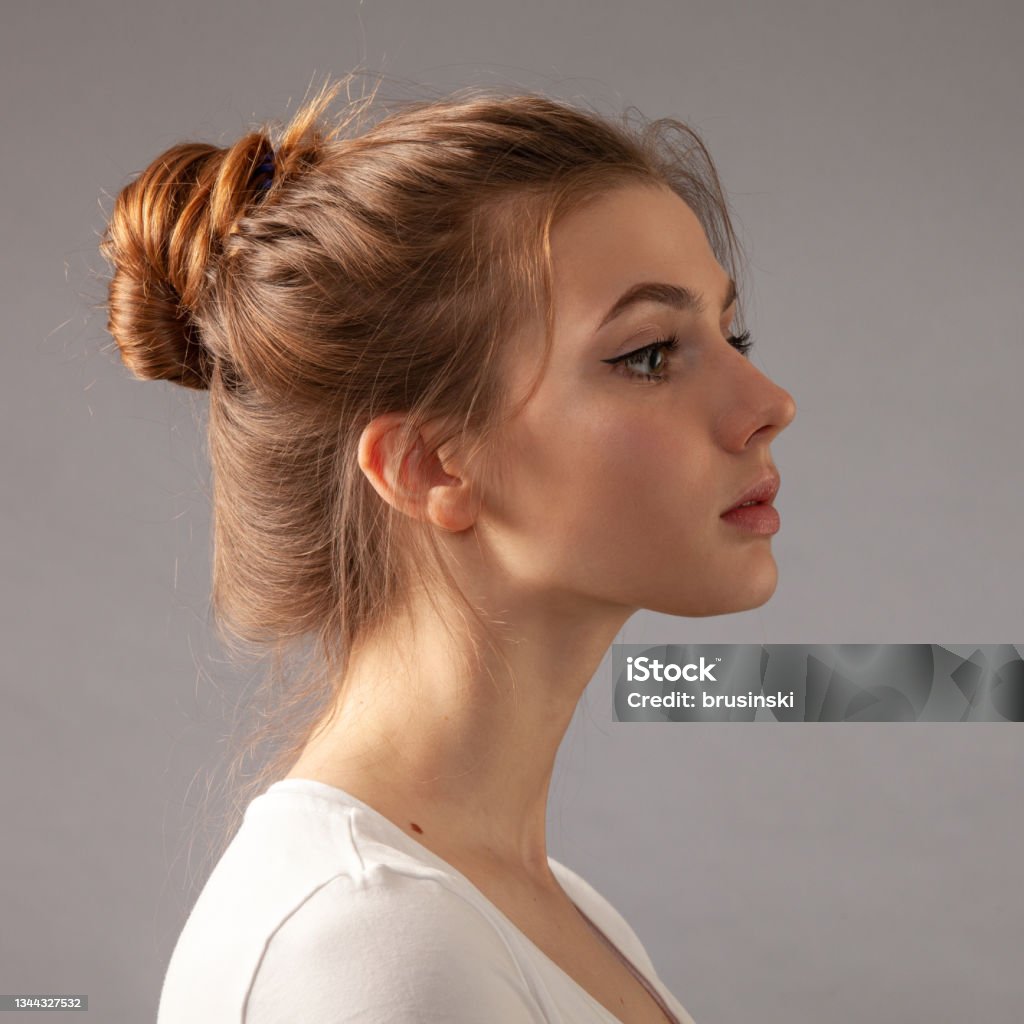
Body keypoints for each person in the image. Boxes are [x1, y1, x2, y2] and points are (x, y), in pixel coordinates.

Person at [101, 73, 795, 1023]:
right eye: (648, 354)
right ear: (429, 464)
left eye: (731, 330)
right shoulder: (370, 951)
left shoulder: (530, 911)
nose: (769, 405)